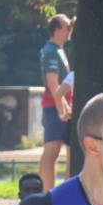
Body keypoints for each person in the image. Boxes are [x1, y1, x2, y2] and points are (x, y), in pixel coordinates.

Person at [39, 14, 75, 191]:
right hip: (54, 108)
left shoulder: (59, 50)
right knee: (52, 151)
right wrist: (62, 109)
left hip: (63, 107)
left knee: (71, 152)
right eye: (68, 27)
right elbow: (53, 84)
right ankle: (46, 194)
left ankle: (65, 193)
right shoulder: (51, 51)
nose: (70, 31)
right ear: (57, 30)